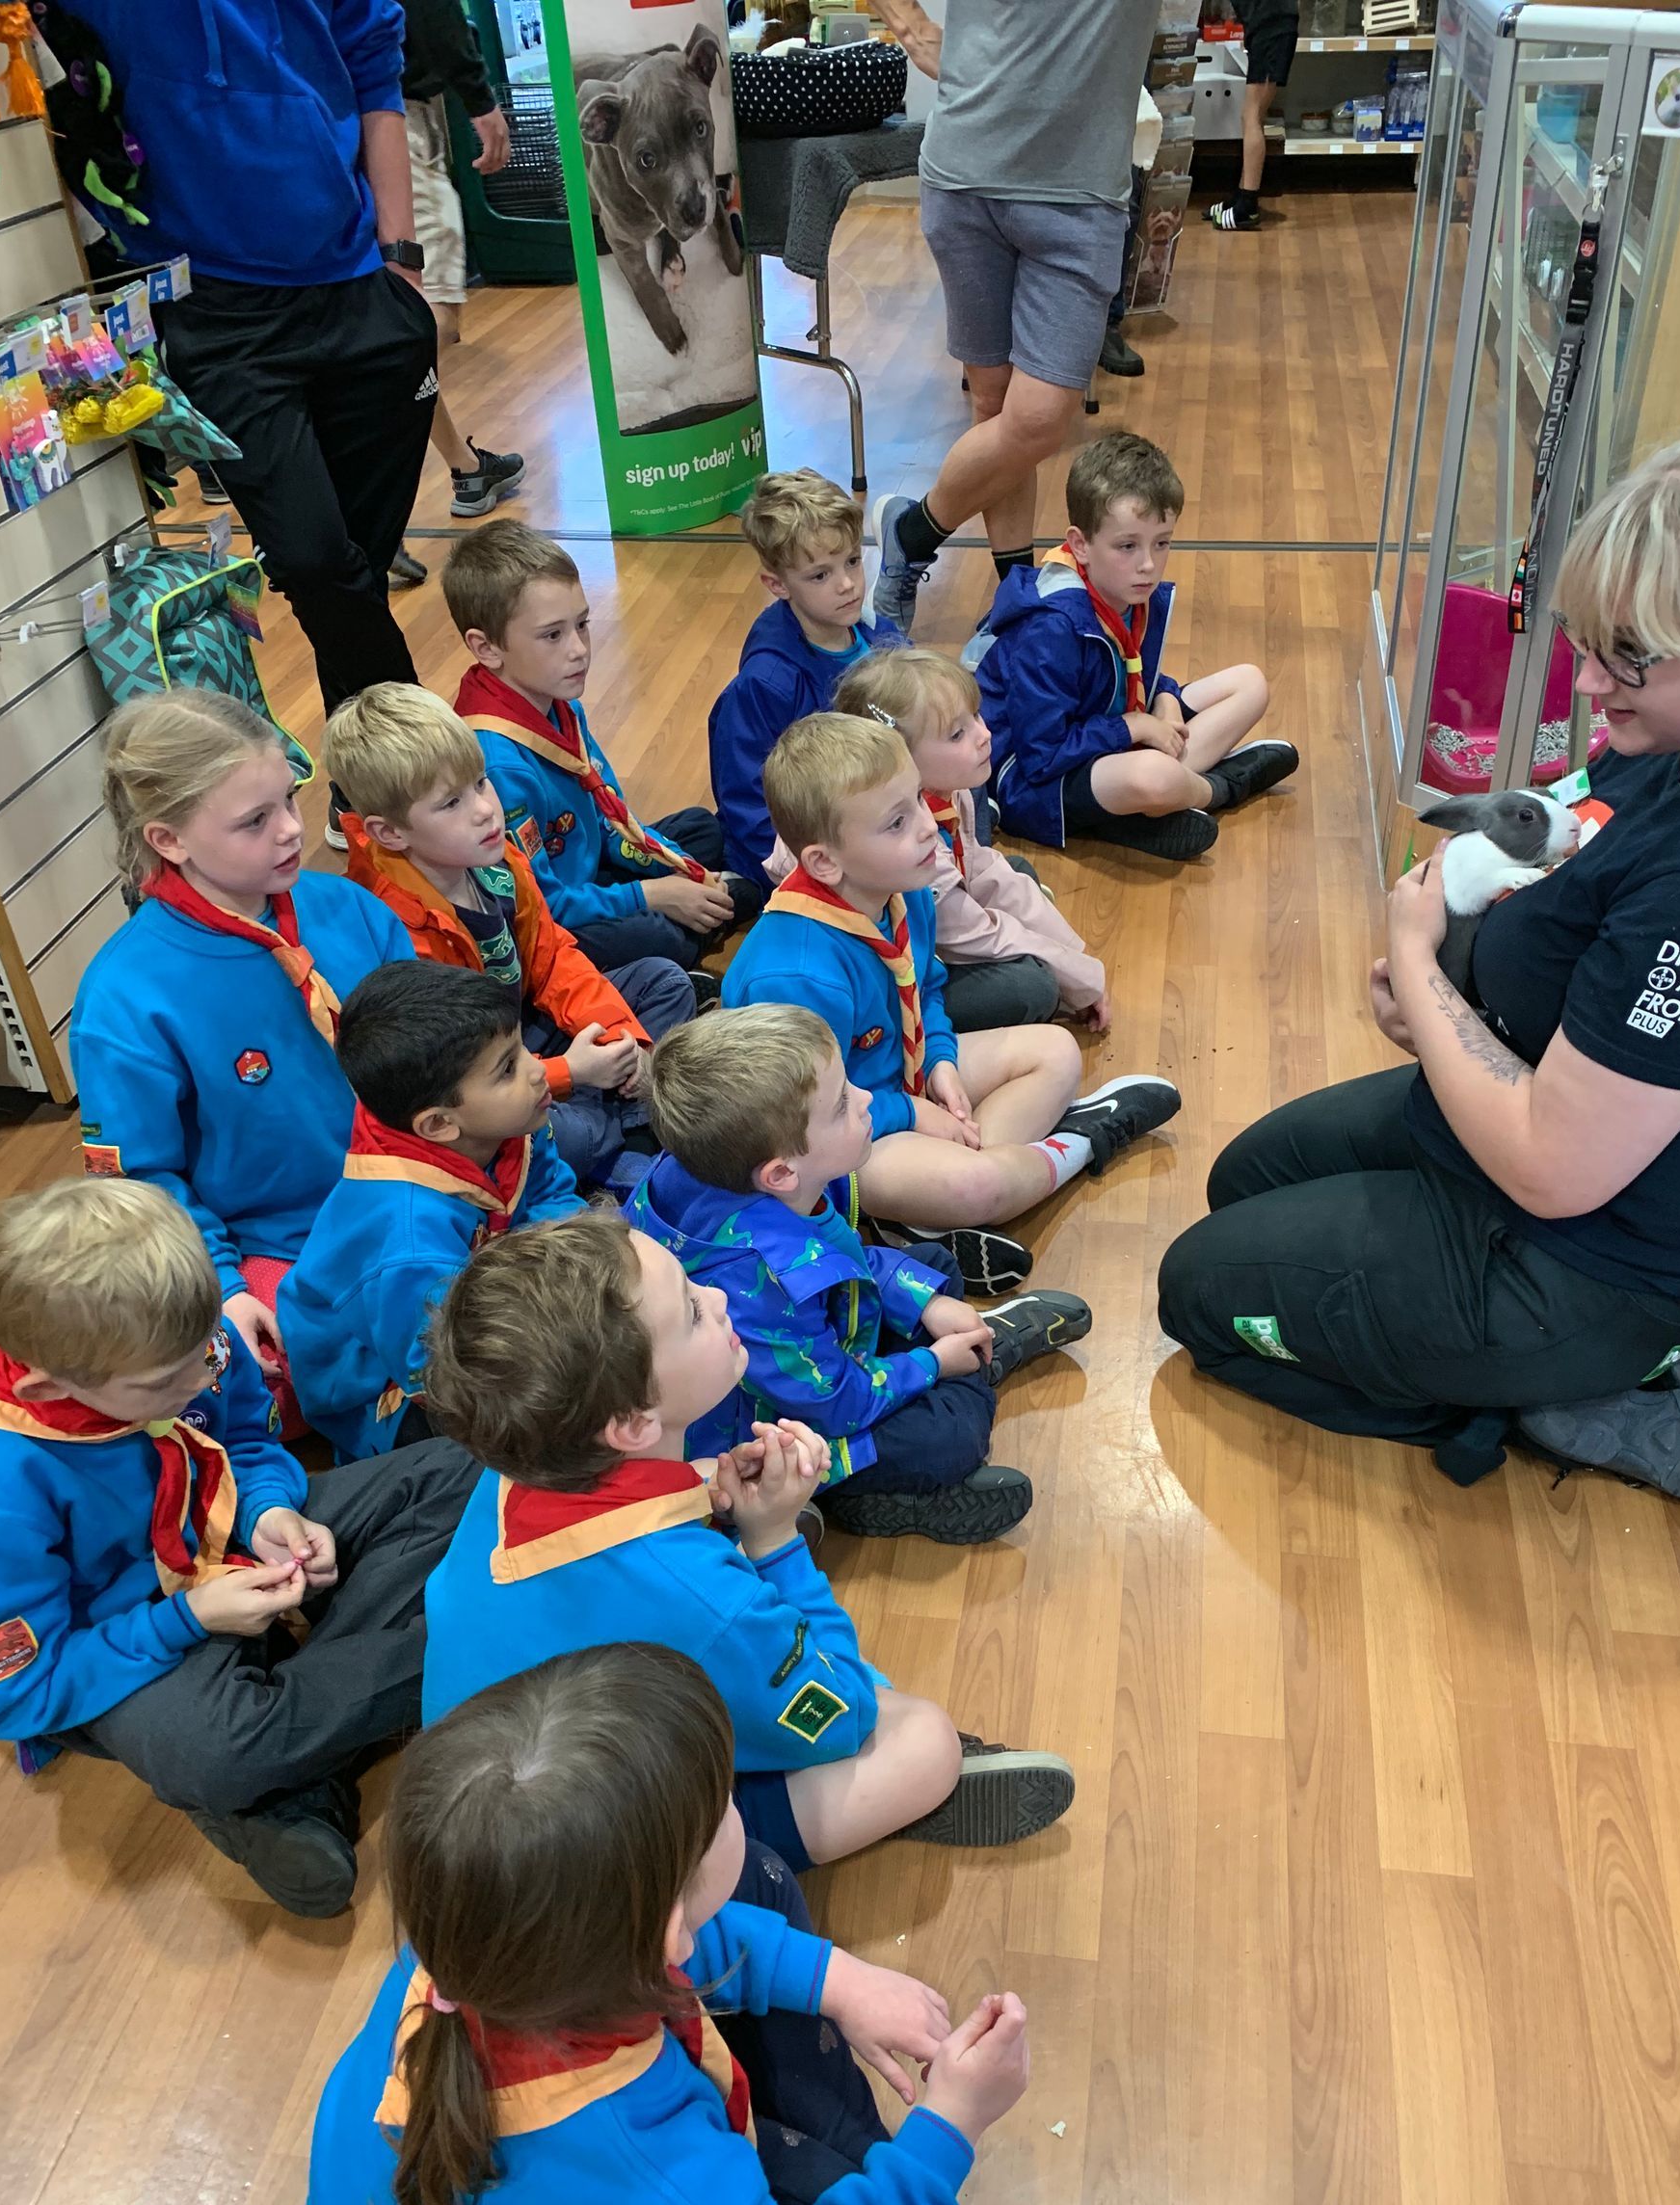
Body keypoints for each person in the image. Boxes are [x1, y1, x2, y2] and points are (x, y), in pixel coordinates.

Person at [1157, 415, 1680, 1506]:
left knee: (1196, 1294)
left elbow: (1554, 1167)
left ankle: (1566, 1390)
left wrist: (1423, 976)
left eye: (1632, 653)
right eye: (1590, 641)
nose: (1594, 682)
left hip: (1589, 1258)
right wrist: (1448, 999)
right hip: (1542, 1115)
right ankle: (1521, 1361)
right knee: (1242, 1183)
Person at [302, 1643, 1107, 2205]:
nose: (735, 1797)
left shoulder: (480, 1930)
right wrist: (948, 2128)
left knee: (753, 1882)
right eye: (724, 1796)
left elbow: (682, 1938)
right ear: (660, 1935)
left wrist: (839, 1979)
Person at [418, 1211, 1075, 1861]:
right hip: (586, 1858)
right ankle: (777, 1844)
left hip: (478, 1807)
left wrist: (705, 1483)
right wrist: (775, 1538)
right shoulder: (704, 1599)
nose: (719, 1295)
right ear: (633, 1423)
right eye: (692, 1312)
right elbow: (842, 1710)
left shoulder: (522, 1462)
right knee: (924, 1743)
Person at [0, 1181, 476, 1917]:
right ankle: (468, 1648)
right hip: (124, 1643)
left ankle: (293, 1786)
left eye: (205, 1355)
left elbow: (242, 1436)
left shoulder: (181, 1343)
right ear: (50, 1390)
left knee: (461, 1469)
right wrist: (188, 1620)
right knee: (208, 1752)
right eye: (165, 1383)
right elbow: (22, 1689)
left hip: (222, 1533)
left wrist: (266, 1510)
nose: (201, 1380)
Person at [723, 713, 1182, 1294]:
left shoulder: (903, 890)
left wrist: (940, 1058)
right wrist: (915, 1116)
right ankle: (1079, 1142)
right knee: (977, 1185)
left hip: (899, 1079)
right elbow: (806, 1124)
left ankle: (928, 1217)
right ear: (824, 863)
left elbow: (928, 987)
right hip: (834, 1141)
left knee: (1057, 1050)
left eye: (918, 799)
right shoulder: (797, 975)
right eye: (896, 822)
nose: (926, 828)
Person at [79, 2, 439, 713]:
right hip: (214, 310)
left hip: (362, 290)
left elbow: (374, 67)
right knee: (311, 559)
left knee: (355, 573)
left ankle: (377, 770)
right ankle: (428, 762)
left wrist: (400, 262)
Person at [630, 1006, 1094, 1543]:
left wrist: (925, 1302)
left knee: (935, 1269)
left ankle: (969, 1351)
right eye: (843, 1104)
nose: (867, 1098)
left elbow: (837, 1258)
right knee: (949, 1433)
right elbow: (836, 1404)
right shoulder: (762, 1280)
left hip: (809, 1351)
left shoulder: (731, 1172)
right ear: (781, 1172)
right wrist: (932, 1364)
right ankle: (942, 1406)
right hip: (780, 1431)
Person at [69, 691, 413, 1373]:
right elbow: (139, 1183)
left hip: (414, 1184)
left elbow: (434, 1054)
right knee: (288, 1372)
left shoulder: (351, 910)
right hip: (279, 1244)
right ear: (168, 840)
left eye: (290, 798)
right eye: (254, 820)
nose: (290, 830)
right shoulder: (124, 999)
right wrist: (225, 1286)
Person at [864, 0, 1162, 636]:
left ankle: (910, 532)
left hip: (1081, 196)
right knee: (993, 407)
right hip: (963, 176)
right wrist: (912, 28)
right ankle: (1014, 605)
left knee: (1038, 420)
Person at [326, 683, 695, 1196]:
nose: (484, 809)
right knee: (566, 1137)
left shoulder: (495, 858)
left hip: (523, 1032)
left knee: (666, 981)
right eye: (451, 803)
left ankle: (625, 1124)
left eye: (481, 783)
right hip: (478, 1075)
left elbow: (551, 956)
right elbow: (458, 1077)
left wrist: (616, 1035)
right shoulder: (393, 929)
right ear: (390, 834)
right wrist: (568, 1072)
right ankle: (617, 1131)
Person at [277, 962, 583, 1463]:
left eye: (522, 1047)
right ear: (438, 1124)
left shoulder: (503, 1123)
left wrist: (572, 1263)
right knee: (526, 1440)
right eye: (507, 1069)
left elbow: (551, 1189)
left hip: (474, 1297)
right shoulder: (408, 1244)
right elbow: (439, 1372)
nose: (536, 1070)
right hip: (381, 1383)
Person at [973, 431, 1297, 861]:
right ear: (1080, 545)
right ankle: (1217, 788)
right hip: (1032, 781)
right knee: (1153, 776)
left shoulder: (1130, 592)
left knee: (1250, 684)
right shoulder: (1049, 630)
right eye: (1127, 546)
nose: (1148, 564)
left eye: (1161, 542)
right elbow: (1042, 756)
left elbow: (1122, 674)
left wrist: (1164, 699)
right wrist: (1134, 727)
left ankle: (1143, 806)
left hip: (1102, 730)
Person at [444, 521, 752, 967]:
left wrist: (688, 872)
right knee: (660, 939)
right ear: (487, 648)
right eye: (553, 635)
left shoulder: (555, 699)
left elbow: (610, 817)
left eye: (582, 624)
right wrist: (652, 894)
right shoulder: (498, 765)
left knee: (701, 828)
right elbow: (540, 906)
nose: (579, 649)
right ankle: (692, 931)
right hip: (550, 914)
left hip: (583, 868)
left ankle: (696, 913)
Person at [835, 644, 1109, 1032]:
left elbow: (980, 866)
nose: (984, 734)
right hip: (880, 992)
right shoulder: (909, 840)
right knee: (1034, 987)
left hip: (930, 933)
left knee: (1016, 872)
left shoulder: (947, 791)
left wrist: (1074, 955)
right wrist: (1076, 976)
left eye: (976, 715)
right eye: (957, 734)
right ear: (901, 758)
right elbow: (975, 933)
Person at [708, 470, 905, 886]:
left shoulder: (882, 637)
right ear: (777, 584)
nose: (848, 584)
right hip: (814, 863)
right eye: (820, 575)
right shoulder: (765, 685)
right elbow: (749, 807)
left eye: (852, 561)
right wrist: (817, 876)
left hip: (882, 823)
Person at [400, 0, 525, 521]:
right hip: (387, 115)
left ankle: (467, 467)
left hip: (316, 115)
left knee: (396, 320)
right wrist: (479, 96)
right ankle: (360, 485)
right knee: (429, 322)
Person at [1209, 0, 1298, 233]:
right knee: (1250, 116)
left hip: (1272, 29)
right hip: (1269, 29)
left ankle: (1247, 206)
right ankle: (1241, 196)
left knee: (1252, 115)